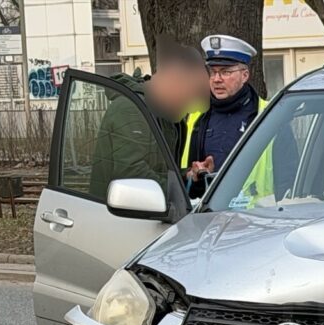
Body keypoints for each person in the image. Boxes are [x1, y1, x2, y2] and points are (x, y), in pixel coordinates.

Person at [89, 40, 207, 201]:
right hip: (116, 218)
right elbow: (131, 174)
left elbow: (161, 172)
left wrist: (189, 177)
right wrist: (179, 195)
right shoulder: (130, 109)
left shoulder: (165, 116)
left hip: (144, 215)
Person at [182, 35, 266, 196]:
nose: (216, 79)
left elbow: (287, 178)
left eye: (225, 72)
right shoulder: (196, 116)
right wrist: (195, 175)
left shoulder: (266, 115)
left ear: (245, 75)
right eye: (212, 72)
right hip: (207, 214)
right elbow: (184, 179)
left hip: (257, 215)